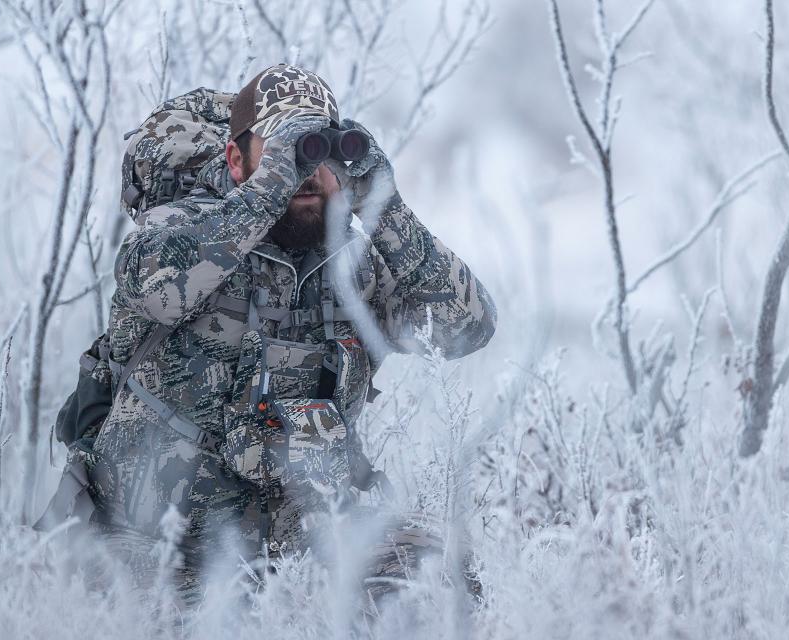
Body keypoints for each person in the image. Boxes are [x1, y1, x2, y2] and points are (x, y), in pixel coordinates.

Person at [89, 63, 495, 595]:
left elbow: (466, 329)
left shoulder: (357, 268)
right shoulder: (175, 232)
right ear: (236, 159)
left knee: (438, 575)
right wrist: (269, 187)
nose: (310, 169)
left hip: (300, 539)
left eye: (321, 150)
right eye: (286, 148)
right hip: (157, 542)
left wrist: (383, 203)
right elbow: (162, 291)